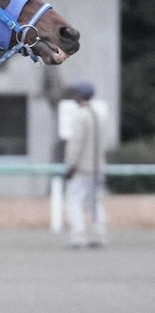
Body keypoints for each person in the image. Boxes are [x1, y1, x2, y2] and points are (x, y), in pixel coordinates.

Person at [63, 80, 107, 248]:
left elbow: (76, 144)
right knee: (95, 202)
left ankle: (78, 237)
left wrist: (70, 166)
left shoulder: (80, 115)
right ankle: (98, 235)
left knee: (73, 202)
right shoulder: (99, 114)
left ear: (80, 95)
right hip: (98, 166)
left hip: (82, 168)